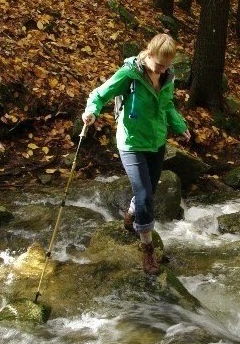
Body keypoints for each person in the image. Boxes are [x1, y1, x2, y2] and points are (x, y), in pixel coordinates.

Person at [82, 34, 191, 275]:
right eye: (159, 64)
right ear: (149, 54)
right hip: (131, 143)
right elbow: (100, 94)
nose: (163, 69)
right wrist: (92, 112)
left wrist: (180, 126)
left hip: (156, 142)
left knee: (149, 191)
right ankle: (147, 249)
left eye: (167, 65)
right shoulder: (129, 74)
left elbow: (168, 105)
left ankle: (132, 215)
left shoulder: (167, 78)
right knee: (144, 195)